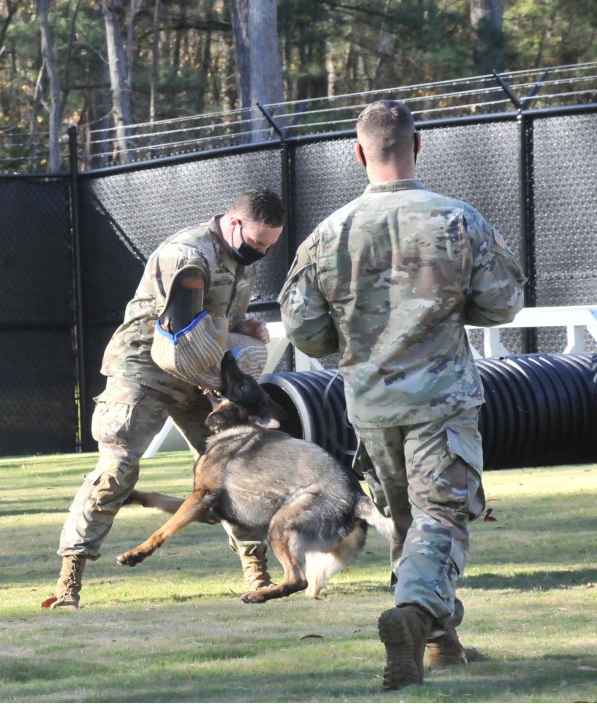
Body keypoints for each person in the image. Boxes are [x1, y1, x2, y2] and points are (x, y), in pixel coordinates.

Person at [278, 100, 526, 690]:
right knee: (440, 518)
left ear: (359, 153)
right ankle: (413, 615)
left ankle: (438, 646)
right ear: (419, 145)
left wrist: (356, 342)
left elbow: (305, 331)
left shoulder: (326, 235)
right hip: (441, 402)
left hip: (370, 406)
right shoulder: (459, 220)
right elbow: (503, 303)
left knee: (410, 524)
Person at [50, 187, 284, 609]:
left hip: (201, 372)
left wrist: (244, 329)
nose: (261, 253)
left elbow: (216, 325)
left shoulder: (240, 260)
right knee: (116, 470)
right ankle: (70, 579)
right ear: (234, 223)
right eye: (256, 243)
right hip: (145, 367)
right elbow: (178, 340)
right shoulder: (186, 256)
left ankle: (257, 571)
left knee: (239, 471)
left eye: (269, 246)